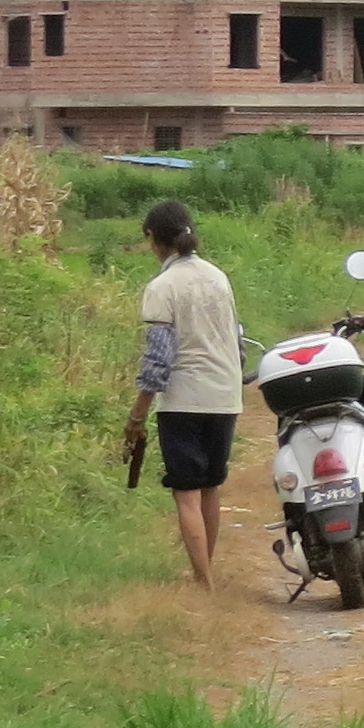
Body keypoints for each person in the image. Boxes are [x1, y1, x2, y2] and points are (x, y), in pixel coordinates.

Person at [121, 201, 242, 591]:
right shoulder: (218, 277)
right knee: (210, 487)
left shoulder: (162, 287)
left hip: (184, 400)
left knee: (186, 492)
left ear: (153, 238)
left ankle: (203, 581)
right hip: (225, 396)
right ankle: (206, 570)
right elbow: (237, 341)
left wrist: (137, 414)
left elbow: (159, 359)